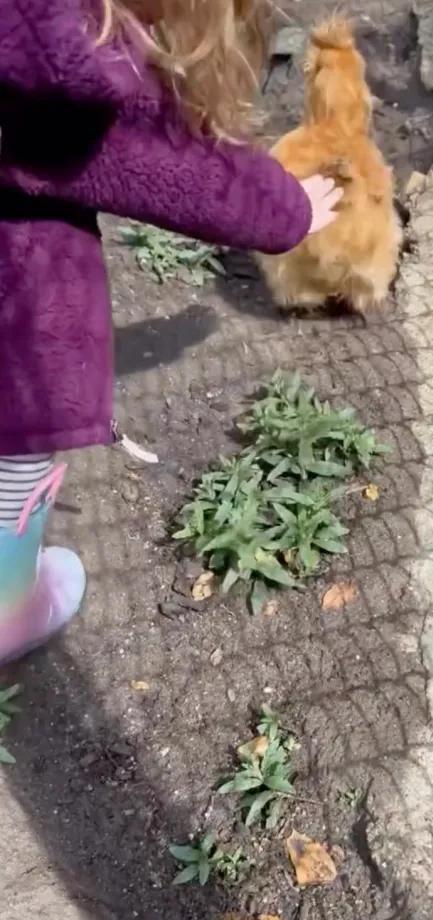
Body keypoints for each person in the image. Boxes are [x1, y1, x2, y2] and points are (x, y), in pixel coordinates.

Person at [0, 0, 342, 665]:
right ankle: (9, 606)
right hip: (14, 310)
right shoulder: (65, 66)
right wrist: (287, 208)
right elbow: (180, 166)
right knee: (18, 437)